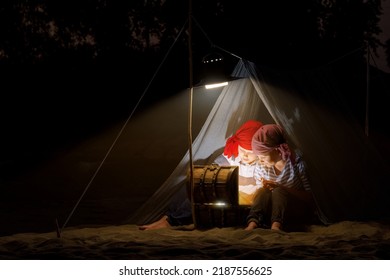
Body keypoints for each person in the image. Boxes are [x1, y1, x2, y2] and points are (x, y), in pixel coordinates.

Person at [138, 119, 263, 230]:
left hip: (238, 203)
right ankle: (166, 217)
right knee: (191, 184)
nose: (245, 155)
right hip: (223, 193)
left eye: (250, 152)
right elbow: (214, 169)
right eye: (242, 150)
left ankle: (171, 221)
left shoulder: (263, 164)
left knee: (201, 195)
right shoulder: (232, 156)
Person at [245, 124, 315, 231]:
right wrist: (265, 188)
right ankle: (253, 224)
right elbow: (262, 199)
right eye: (258, 157)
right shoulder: (261, 166)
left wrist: (281, 187)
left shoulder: (297, 163)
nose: (260, 160)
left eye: (263, 156)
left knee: (278, 191)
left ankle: (276, 226)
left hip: (294, 211)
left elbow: (310, 198)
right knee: (262, 192)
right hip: (272, 212)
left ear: (277, 150)